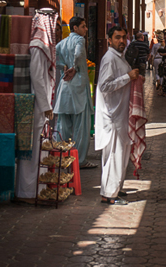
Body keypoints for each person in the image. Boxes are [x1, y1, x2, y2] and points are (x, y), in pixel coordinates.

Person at [15, 10, 59, 201]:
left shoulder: (44, 46)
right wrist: (45, 106)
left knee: (37, 149)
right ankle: (27, 191)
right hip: (34, 104)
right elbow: (37, 78)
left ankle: (36, 189)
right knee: (31, 150)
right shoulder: (38, 46)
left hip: (39, 104)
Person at [95, 26, 139, 205]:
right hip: (112, 116)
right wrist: (128, 77)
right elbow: (104, 86)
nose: (121, 41)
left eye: (123, 38)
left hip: (120, 115)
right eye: (117, 37)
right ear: (109, 39)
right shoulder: (109, 59)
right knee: (114, 155)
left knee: (121, 154)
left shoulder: (119, 58)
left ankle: (115, 188)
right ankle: (109, 194)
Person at [54, 16, 96, 169]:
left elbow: (54, 56)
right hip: (78, 86)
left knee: (63, 125)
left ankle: (60, 157)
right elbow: (78, 55)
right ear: (75, 28)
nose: (86, 29)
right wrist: (74, 67)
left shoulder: (63, 42)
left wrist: (63, 66)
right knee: (81, 127)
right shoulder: (79, 40)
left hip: (65, 86)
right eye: (83, 26)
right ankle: (79, 160)